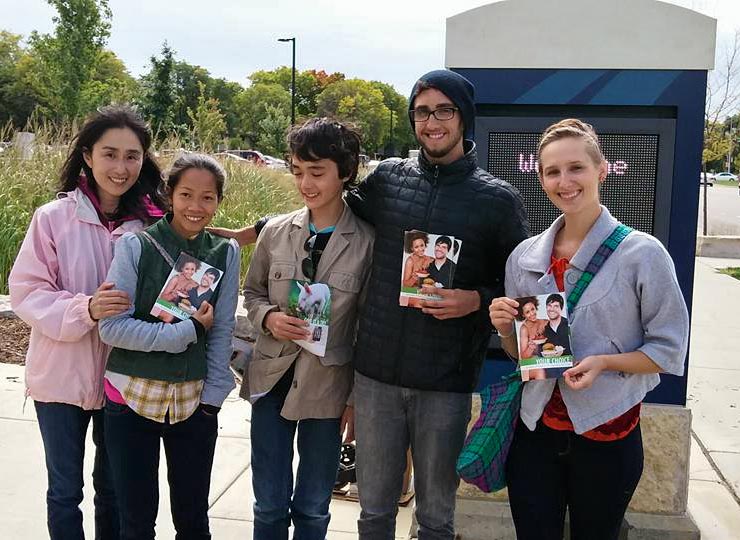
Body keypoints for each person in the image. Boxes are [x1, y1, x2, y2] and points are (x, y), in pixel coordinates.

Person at [218, 69, 529, 539]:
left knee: (436, 518)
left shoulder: (497, 200)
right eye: (422, 112)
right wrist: (261, 226)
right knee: (374, 513)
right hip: (376, 378)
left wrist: (475, 299)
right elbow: (326, 203)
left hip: (444, 382)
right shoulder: (387, 180)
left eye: (444, 110)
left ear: (464, 117)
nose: (432, 122)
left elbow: (517, 283)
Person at [488, 119, 689, 540]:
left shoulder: (643, 254)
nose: (565, 181)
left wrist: (605, 362)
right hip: (535, 434)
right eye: (552, 172)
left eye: (576, 167)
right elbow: (522, 357)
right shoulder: (524, 257)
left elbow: (669, 350)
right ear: (540, 178)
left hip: (608, 434)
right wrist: (506, 329)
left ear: (602, 170)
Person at [8, 104, 167, 540]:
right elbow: (27, 291)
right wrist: (86, 310)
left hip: (123, 381)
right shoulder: (53, 218)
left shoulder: (150, 227)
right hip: (60, 379)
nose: (120, 167)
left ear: (144, 160)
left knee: (112, 488)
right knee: (64, 490)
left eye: (131, 156)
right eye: (109, 154)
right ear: (87, 156)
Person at [242, 118, 374, 539]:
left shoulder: (369, 242)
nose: (306, 183)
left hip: (329, 385)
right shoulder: (276, 232)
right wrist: (268, 318)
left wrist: (355, 399)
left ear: (346, 171)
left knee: (314, 508)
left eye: (317, 172)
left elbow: (370, 329)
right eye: (298, 171)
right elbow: (253, 292)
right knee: (268, 504)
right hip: (271, 377)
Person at [98, 154, 240, 540]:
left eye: (207, 198)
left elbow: (223, 330)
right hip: (130, 399)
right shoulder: (135, 247)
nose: (196, 207)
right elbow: (111, 329)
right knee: (136, 521)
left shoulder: (225, 253)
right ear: (169, 194)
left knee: (193, 521)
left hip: (193, 403)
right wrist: (185, 332)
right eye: (186, 195)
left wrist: (212, 398)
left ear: (218, 201)